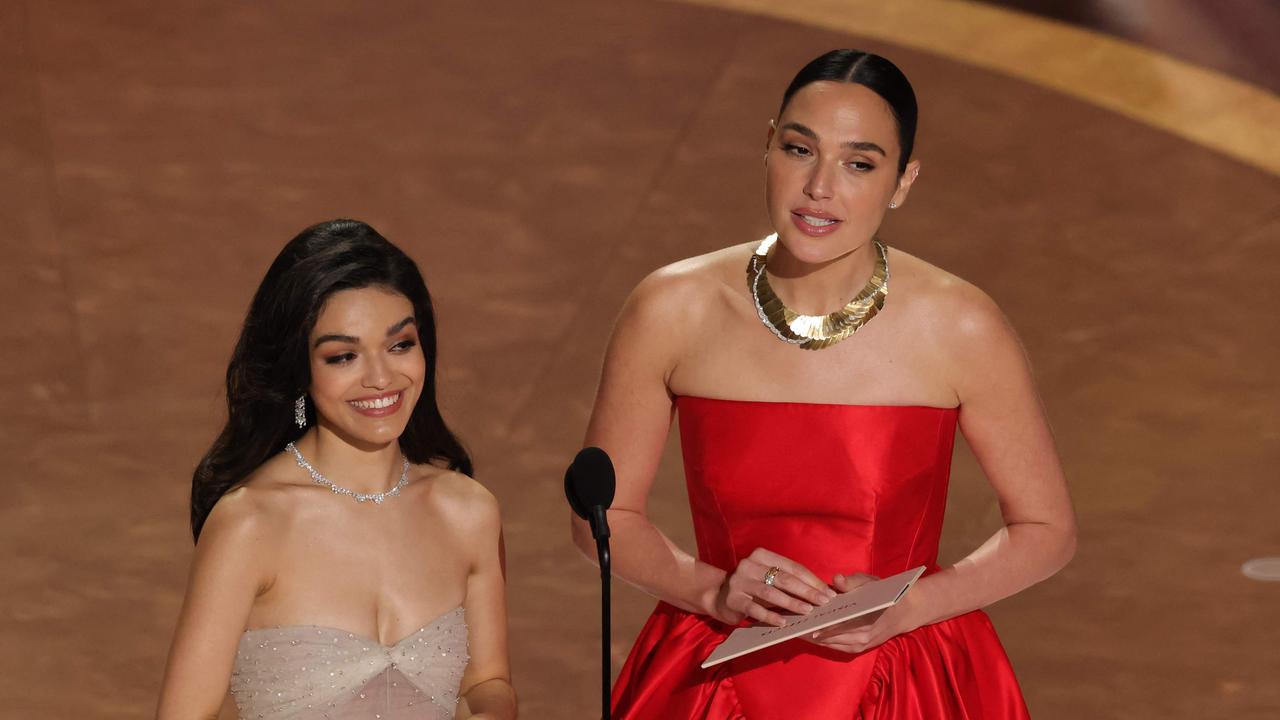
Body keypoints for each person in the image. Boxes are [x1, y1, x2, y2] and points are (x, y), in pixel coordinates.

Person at [572, 49, 1076, 718]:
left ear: (903, 181)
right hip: (714, 683)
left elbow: (1046, 529)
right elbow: (603, 519)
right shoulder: (671, 310)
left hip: (903, 679)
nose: (820, 188)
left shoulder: (960, 326)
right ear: (768, 147)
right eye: (799, 149)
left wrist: (912, 605)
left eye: (859, 164)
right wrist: (711, 591)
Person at [157, 220, 517, 720]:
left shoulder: (470, 512)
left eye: (400, 345)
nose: (381, 377)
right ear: (300, 368)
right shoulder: (250, 524)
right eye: (343, 355)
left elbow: (488, 679)